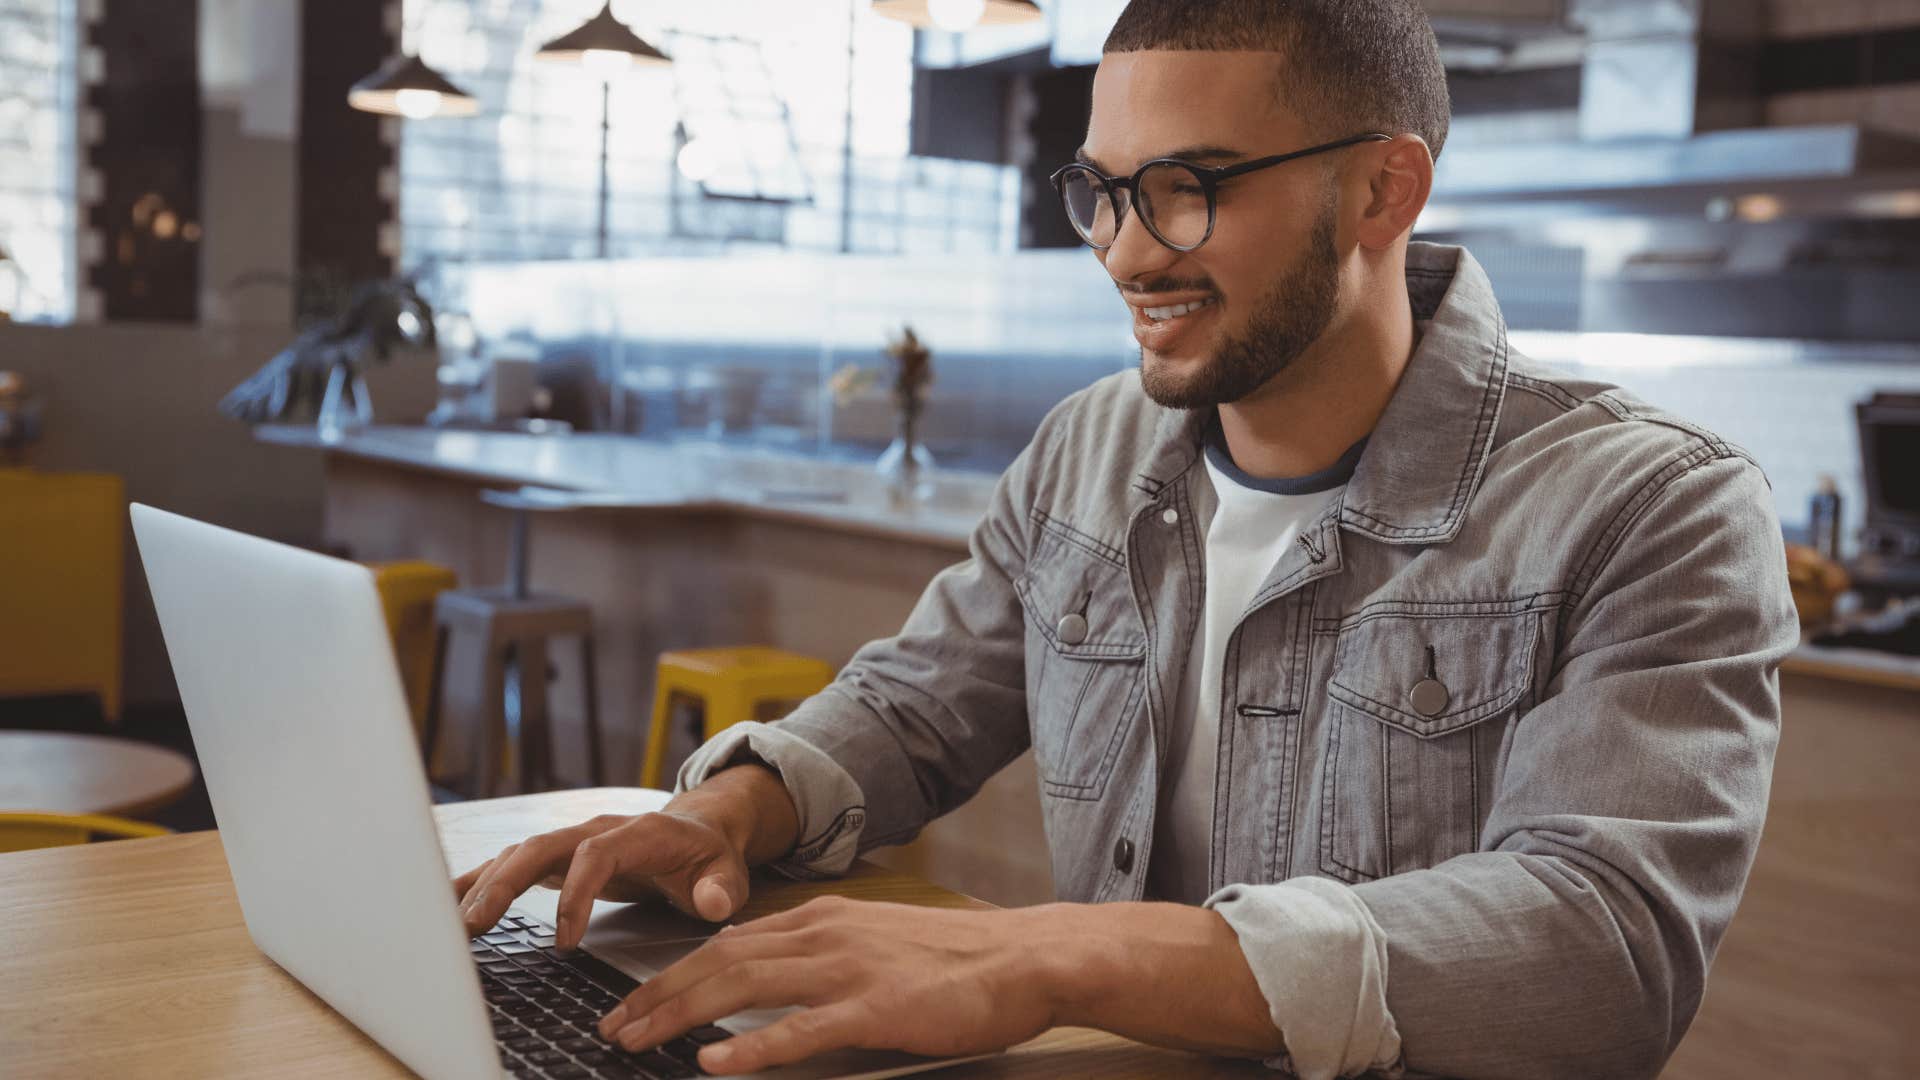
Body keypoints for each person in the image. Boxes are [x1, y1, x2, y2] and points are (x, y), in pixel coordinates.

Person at [452, 2, 1799, 1076]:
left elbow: (1600, 955)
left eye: (1188, 187)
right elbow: (923, 703)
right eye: (1100, 190)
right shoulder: (1088, 447)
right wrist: (728, 810)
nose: (1125, 252)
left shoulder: (1652, 507)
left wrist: (1052, 958)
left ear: (1384, 193)